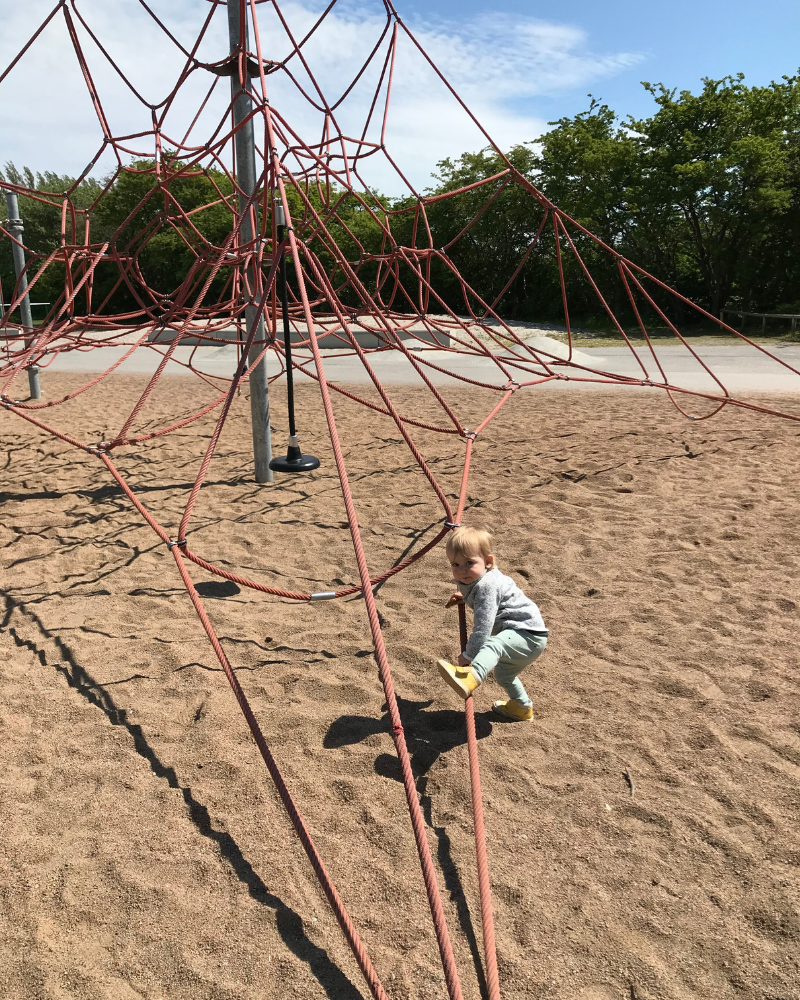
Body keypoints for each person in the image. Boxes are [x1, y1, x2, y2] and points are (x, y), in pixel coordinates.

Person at [436, 526, 548, 721]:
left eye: (469, 563)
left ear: (488, 562)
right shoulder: (482, 581)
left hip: (525, 632)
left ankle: (473, 676)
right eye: (455, 564)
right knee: (504, 675)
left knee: (492, 644)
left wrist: (469, 655)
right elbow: (486, 602)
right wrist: (465, 597)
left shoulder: (488, 585)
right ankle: (521, 706)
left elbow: (483, 626)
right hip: (526, 637)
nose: (461, 571)